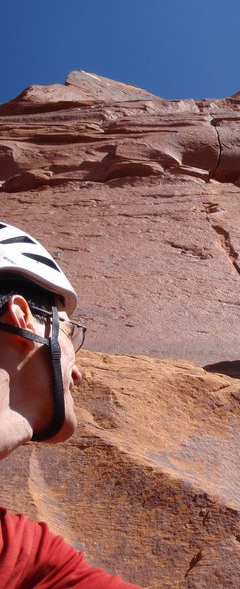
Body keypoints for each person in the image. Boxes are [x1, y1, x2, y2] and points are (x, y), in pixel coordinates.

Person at [0, 222, 141, 588]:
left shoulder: (22, 552)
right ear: (22, 318)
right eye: (67, 330)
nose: (77, 372)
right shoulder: (15, 554)